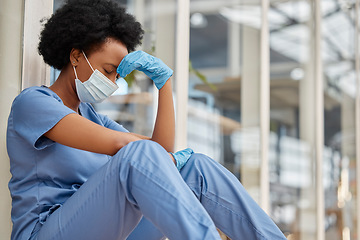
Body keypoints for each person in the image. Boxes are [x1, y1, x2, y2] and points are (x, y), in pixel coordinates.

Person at [7, 0, 287, 239]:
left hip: (103, 228)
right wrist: (155, 155)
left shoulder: (93, 118)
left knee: (196, 169)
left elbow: (160, 150)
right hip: (47, 231)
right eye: (107, 71)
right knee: (138, 154)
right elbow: (127, 147)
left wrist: (164, 84)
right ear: (76, 56)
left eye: (118, 75)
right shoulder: (33, 103)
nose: (113, 82)